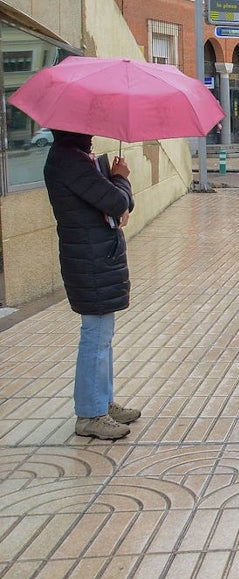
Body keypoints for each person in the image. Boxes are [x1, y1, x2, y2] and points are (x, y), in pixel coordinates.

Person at [45, 130, 140, 440]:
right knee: (96, 336)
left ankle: (102, 402)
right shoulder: (69, 162)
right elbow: (117, 201)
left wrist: (115, 182)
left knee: (103, 336)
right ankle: (90, 414)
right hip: (90, 259)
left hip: (95, 256)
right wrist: (121, 177)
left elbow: (121, 204)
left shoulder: (73, 159)